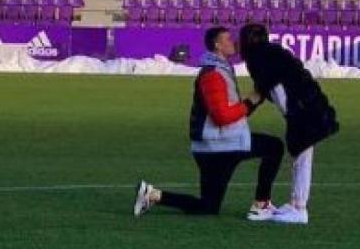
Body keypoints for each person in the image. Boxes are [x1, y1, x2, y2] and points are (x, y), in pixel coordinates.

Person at [133, 27, 283, 217]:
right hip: (221, 145)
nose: (233, 42)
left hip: (211, 146)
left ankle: (152, 194)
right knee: (275, 147)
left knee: (208, 207)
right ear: (217, 45)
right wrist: (250, 101)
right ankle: (261, 204)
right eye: (228, 39)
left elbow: (231, 113)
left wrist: (254, 100)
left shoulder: (219, 70)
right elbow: (221, 116)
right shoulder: (213, 74)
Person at [238, 23, 340, 225]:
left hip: (303, 112)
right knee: (301, 156)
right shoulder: (273, 55)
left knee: (302, 157)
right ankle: (296, 203)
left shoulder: (259, 59)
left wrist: (242, 113)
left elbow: (269, 91)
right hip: (308, 108)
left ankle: (300, 208)